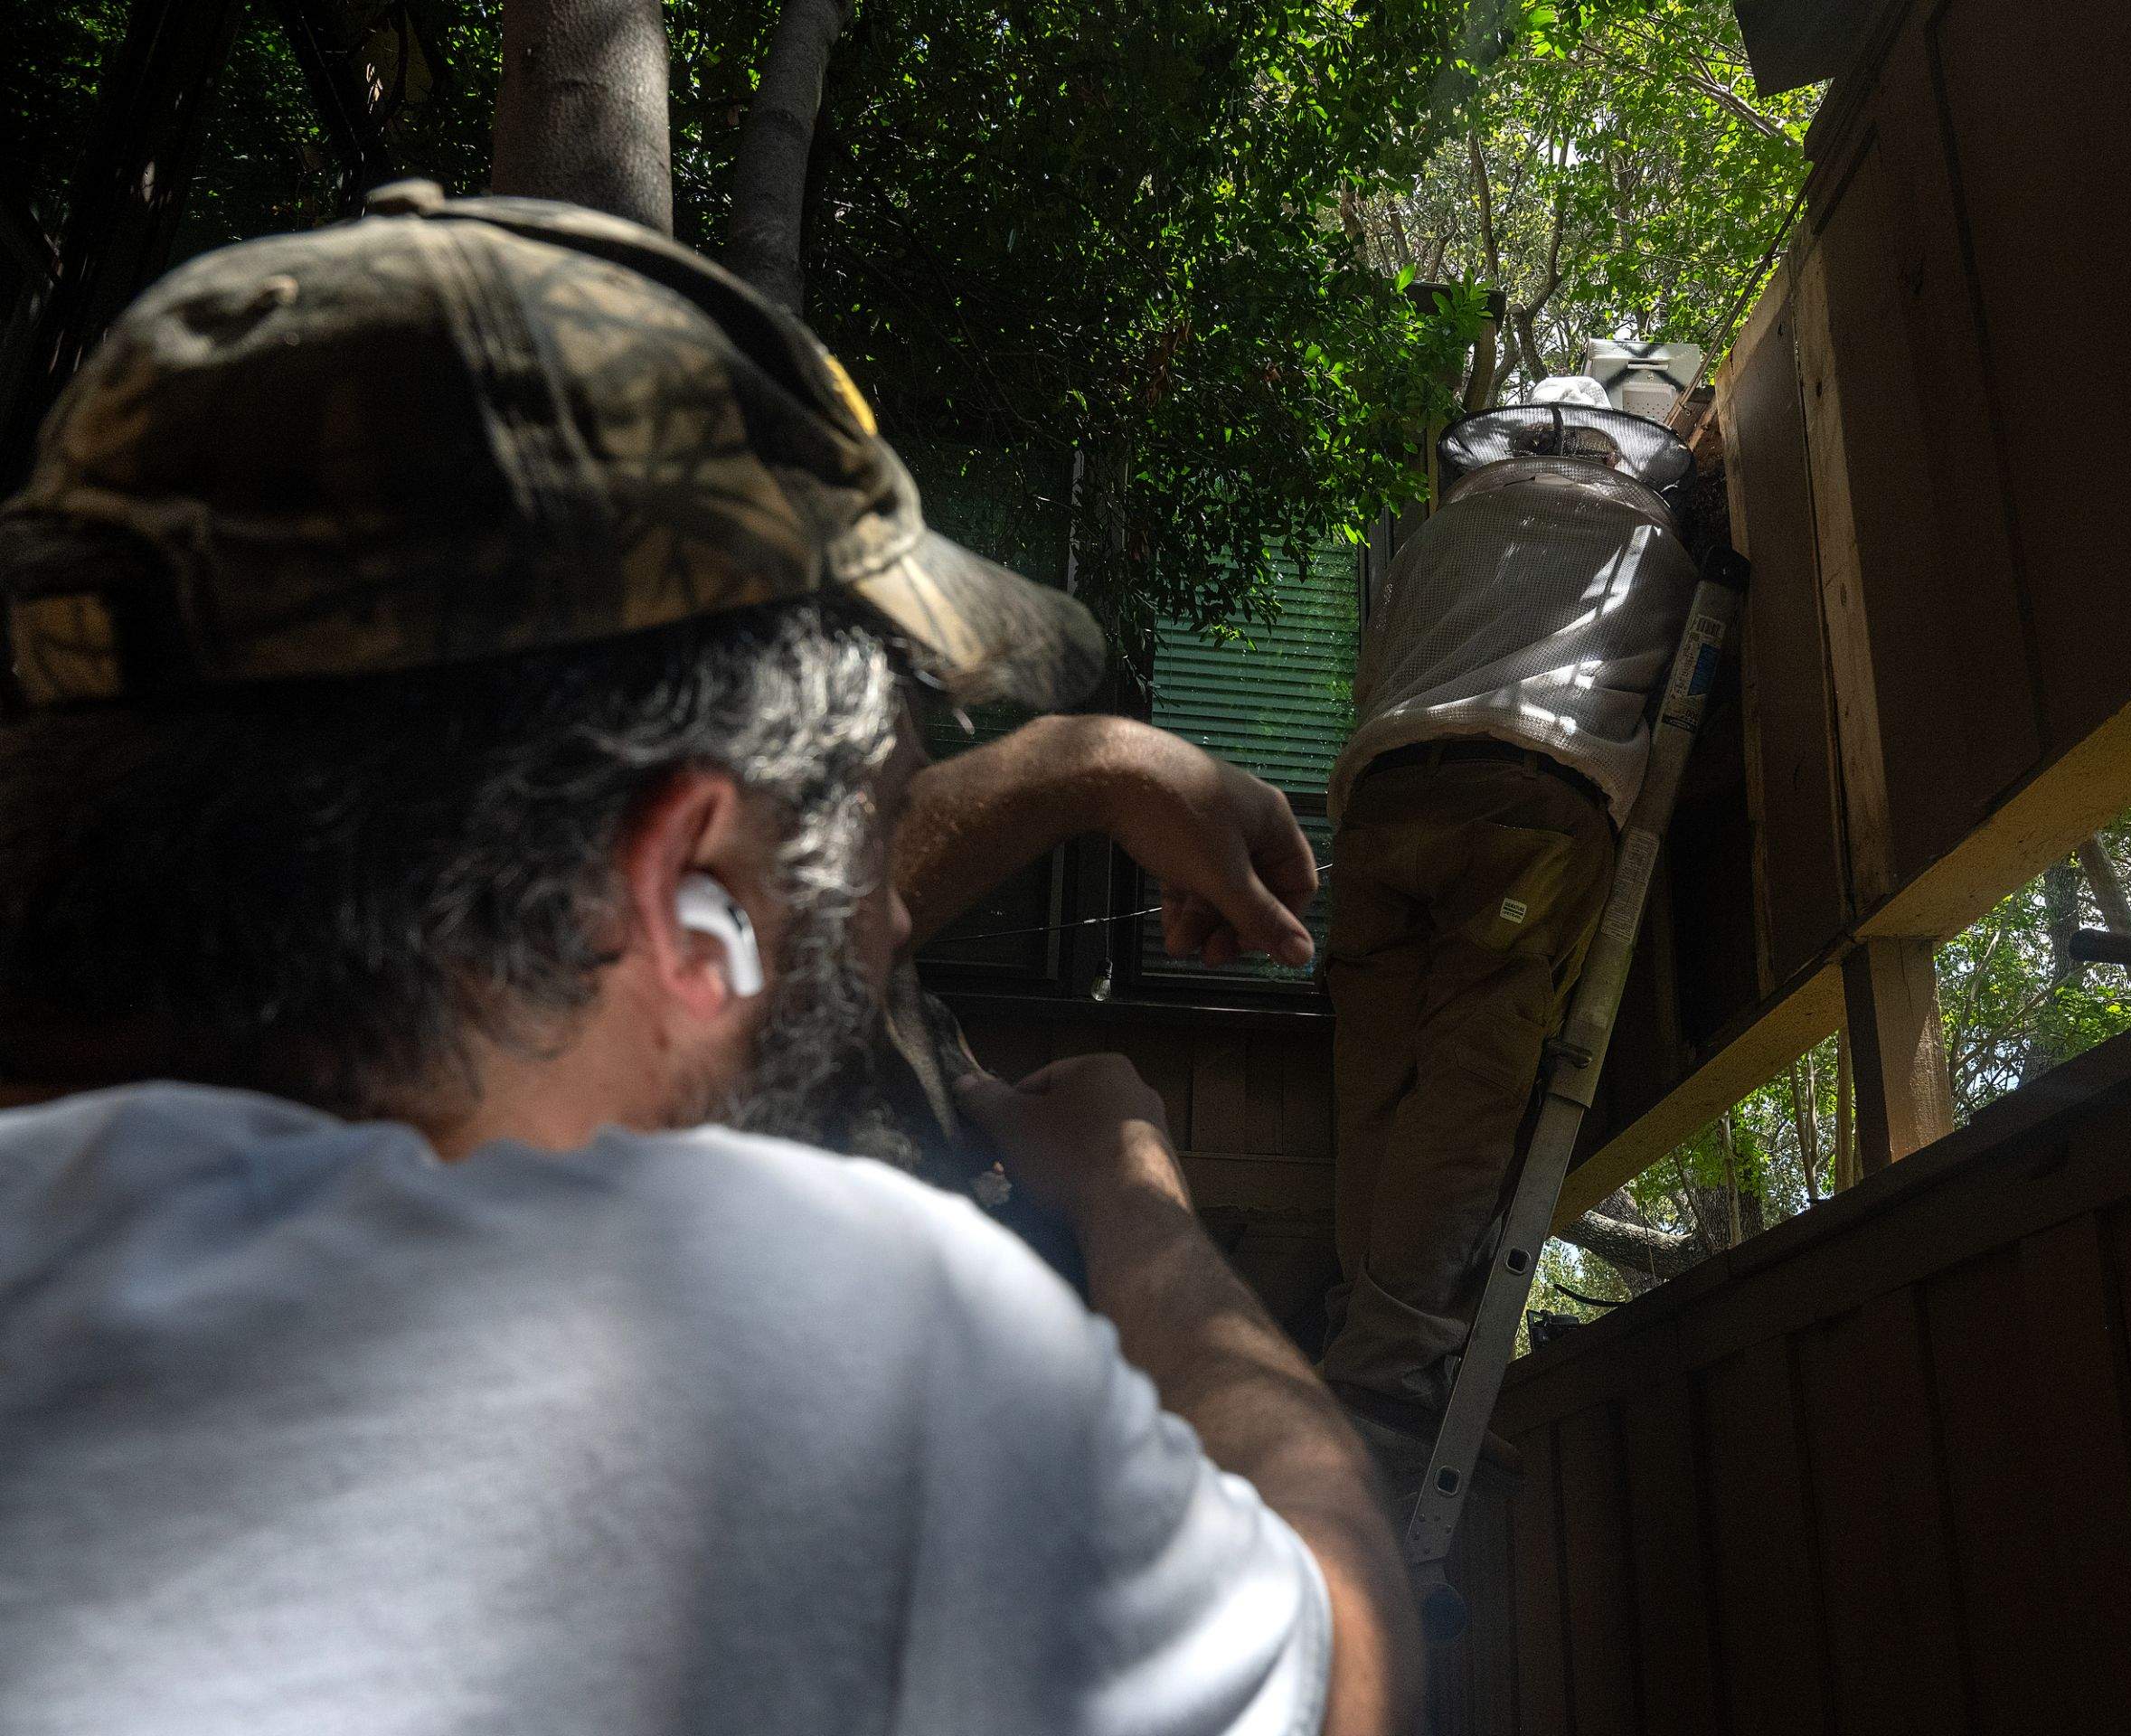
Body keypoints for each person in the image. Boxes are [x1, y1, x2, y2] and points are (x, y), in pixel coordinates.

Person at [0, 187, 1414, 1735]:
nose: (885, 925)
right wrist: (1137, 1192)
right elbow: (1350, 1671)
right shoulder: (820, 1338)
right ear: (683, 884)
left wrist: (1079, 766)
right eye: (874, 845)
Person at [1317, 380, 1699, 1454]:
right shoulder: (1647, 539)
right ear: (1618, 452)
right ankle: (1389, 1372)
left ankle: (1365, 1345)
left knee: (1375, 1088)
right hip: (1530, 808)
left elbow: (1375, 671)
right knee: (1469, 1087)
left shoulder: (1438, 538)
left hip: (1384, 811)